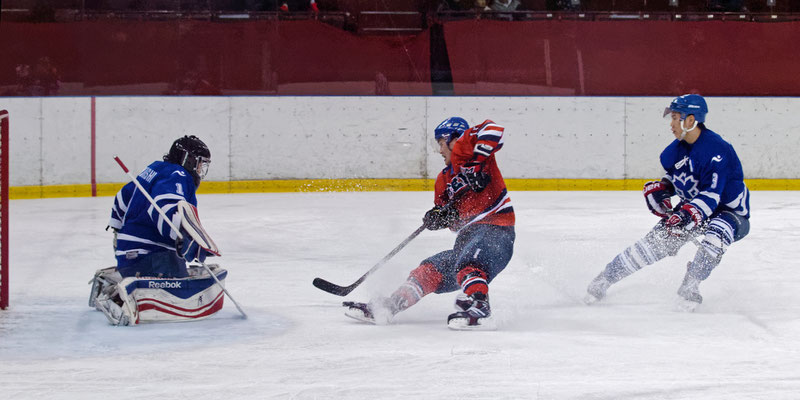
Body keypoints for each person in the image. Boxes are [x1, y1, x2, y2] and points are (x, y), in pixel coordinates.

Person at [344, 117, 516, 330]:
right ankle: (389, 307)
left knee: (469, 263)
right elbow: (453, 223)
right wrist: (441, 217)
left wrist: (476, 162)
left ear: (453, 139)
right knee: (429, 269)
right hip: (466, 241)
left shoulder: (468, 148)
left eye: (440, 143)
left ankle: (481, 309)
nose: (439, 150)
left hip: (496, 232)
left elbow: (494, 129)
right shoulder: (443, 180)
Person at [584, 94, 750, 310]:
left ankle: (691, 285)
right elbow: (683, 177)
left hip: (729, 212)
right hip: (694, 208)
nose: (671, 124)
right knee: (654, 243)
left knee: (717, 233)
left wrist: (685, 214)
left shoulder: (717, 151)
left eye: (675, 118)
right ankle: (604, 279)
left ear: (690, 120)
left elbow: (712, 195)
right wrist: (664, 188)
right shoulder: (675, 151)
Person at [89, 135, 225, 325]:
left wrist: (118, 234)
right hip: (152, 257)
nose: (201, 170)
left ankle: (112, 282)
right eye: (200, 164)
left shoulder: (154, 170)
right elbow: (164, 206)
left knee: (171, 263)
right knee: (180, 275)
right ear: (189, 160)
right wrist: (183, 239)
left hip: (126, 256)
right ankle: (123, 299)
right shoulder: (179, 175)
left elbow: (122, 197)